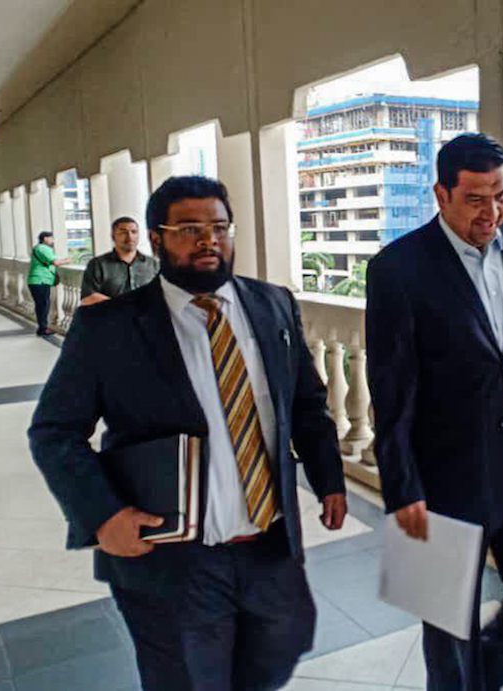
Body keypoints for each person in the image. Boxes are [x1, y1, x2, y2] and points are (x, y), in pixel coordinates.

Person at [29, 175, 347, 691]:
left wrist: (329, 478)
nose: (209, 240)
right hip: (171, 558)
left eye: (219, 227)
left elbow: (306, 403)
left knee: (280, 647)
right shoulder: (110, 328)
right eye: (190, 229)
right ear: (157, 239)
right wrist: (102, 514)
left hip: (267, 543)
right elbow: (53, 431)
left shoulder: (273, 305)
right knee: (185, 679)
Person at [366, 134, 503, 691]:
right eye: (476, 200)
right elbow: (390, 388)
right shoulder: (396, 269)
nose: (493, 212)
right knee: (445, 621)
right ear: (441, 194)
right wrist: (402, 485)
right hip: (441, 474)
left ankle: (475, 681)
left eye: (501, 196)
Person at [79, 216, 158, 306]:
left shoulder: (153, 264)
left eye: (134, 232)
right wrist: (122, 307)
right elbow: (88, 298)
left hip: (147, 318)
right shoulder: (98, 265)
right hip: (111, 318)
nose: (130, 237)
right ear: (113, 237)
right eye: (123, 232)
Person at [27, 231, 66, 336]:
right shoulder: (43, 248)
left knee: (41, 305)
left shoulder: (38, 248)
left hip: (37, 281)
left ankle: (42, 327)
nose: (53, 240)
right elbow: (55, 262)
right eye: (51, 238)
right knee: (43, 305)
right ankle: (43, 328)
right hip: (40, 281)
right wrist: (67, 260)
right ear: (45, 238)